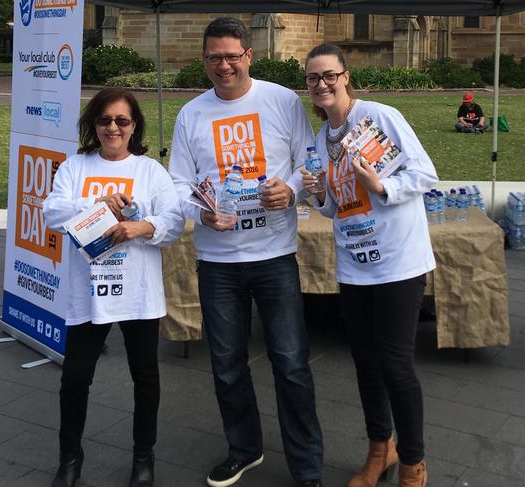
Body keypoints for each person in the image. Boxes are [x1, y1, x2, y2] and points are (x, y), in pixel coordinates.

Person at [168, 16, 324, 487]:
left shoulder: (280, 100)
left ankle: (307, 467)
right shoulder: (190, 115)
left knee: (292, 365)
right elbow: (177, 183)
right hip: (217, 262)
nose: (224, 65)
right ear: (204, 59)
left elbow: (307, 158)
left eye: (232, 56)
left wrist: (292, 190)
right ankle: (245, 448)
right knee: (227, 365)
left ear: (249, 56)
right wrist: (202, 212)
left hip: (274, 255)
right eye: (215, 57)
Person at [301, 44, 437, 487]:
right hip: (355, 263)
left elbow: (424, 174)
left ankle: (414, 463)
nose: (322, 85)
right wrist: (320, 192)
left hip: (397, 261)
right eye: (313, 79)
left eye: (329, 76)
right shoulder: (321, 141)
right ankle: (381, 448)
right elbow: (334, 209)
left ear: (345, 76)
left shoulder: (379, 117)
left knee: (396, 364)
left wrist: (381, 184)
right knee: (365, 363)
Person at [43, 88, 184, 487]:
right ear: (94, 124)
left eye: (122, 120)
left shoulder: (149, 171)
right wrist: (97, 206)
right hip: (87, 291)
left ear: (134, 125)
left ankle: (144, 457)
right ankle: (69, 457)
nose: (112, 127)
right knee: (74, 379)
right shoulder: (76, 166)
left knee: (146, 378)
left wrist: (144, 226)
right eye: (104, 120)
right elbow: (52, 211)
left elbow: (173, 221)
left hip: (137, 292)